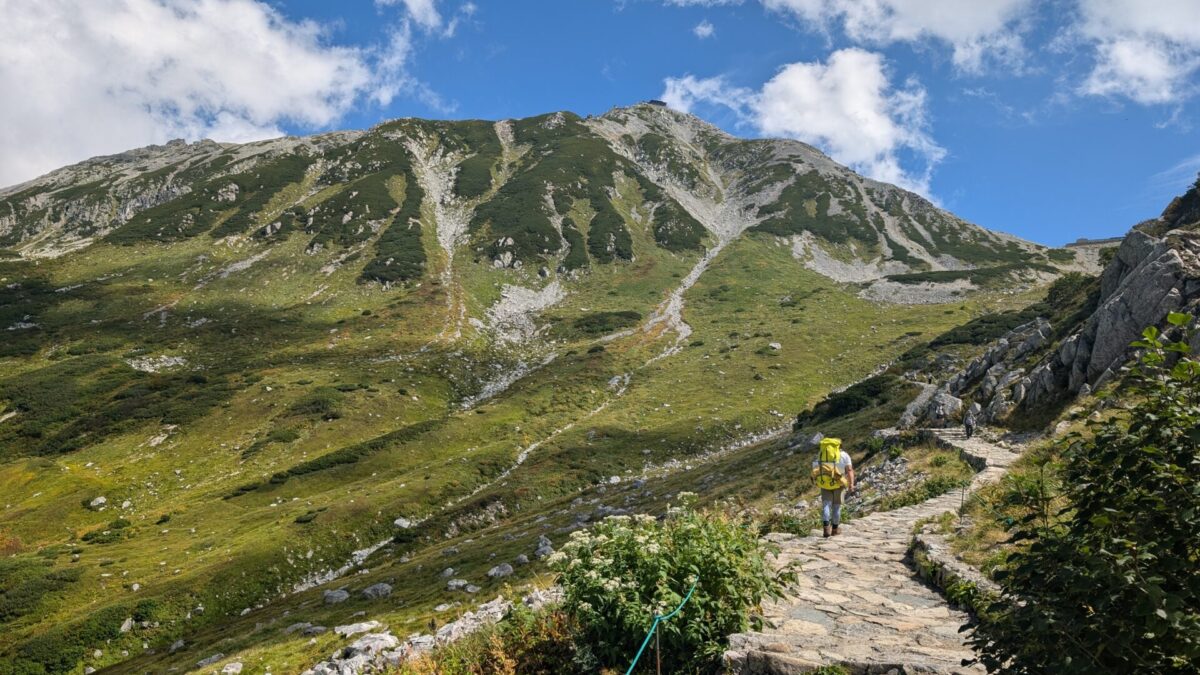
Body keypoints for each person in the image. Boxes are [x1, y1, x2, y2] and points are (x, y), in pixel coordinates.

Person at [811, 437, 854, 537]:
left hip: (825, 484)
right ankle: (835, 529)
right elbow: (850, 470)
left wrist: (818, 481)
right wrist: (851, 484)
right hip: (839, 485)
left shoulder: (822, 454)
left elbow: (816, 468)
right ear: (839, 446)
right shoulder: (844, 455)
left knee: (826, 505)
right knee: (836, 507)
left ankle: (826, 529)